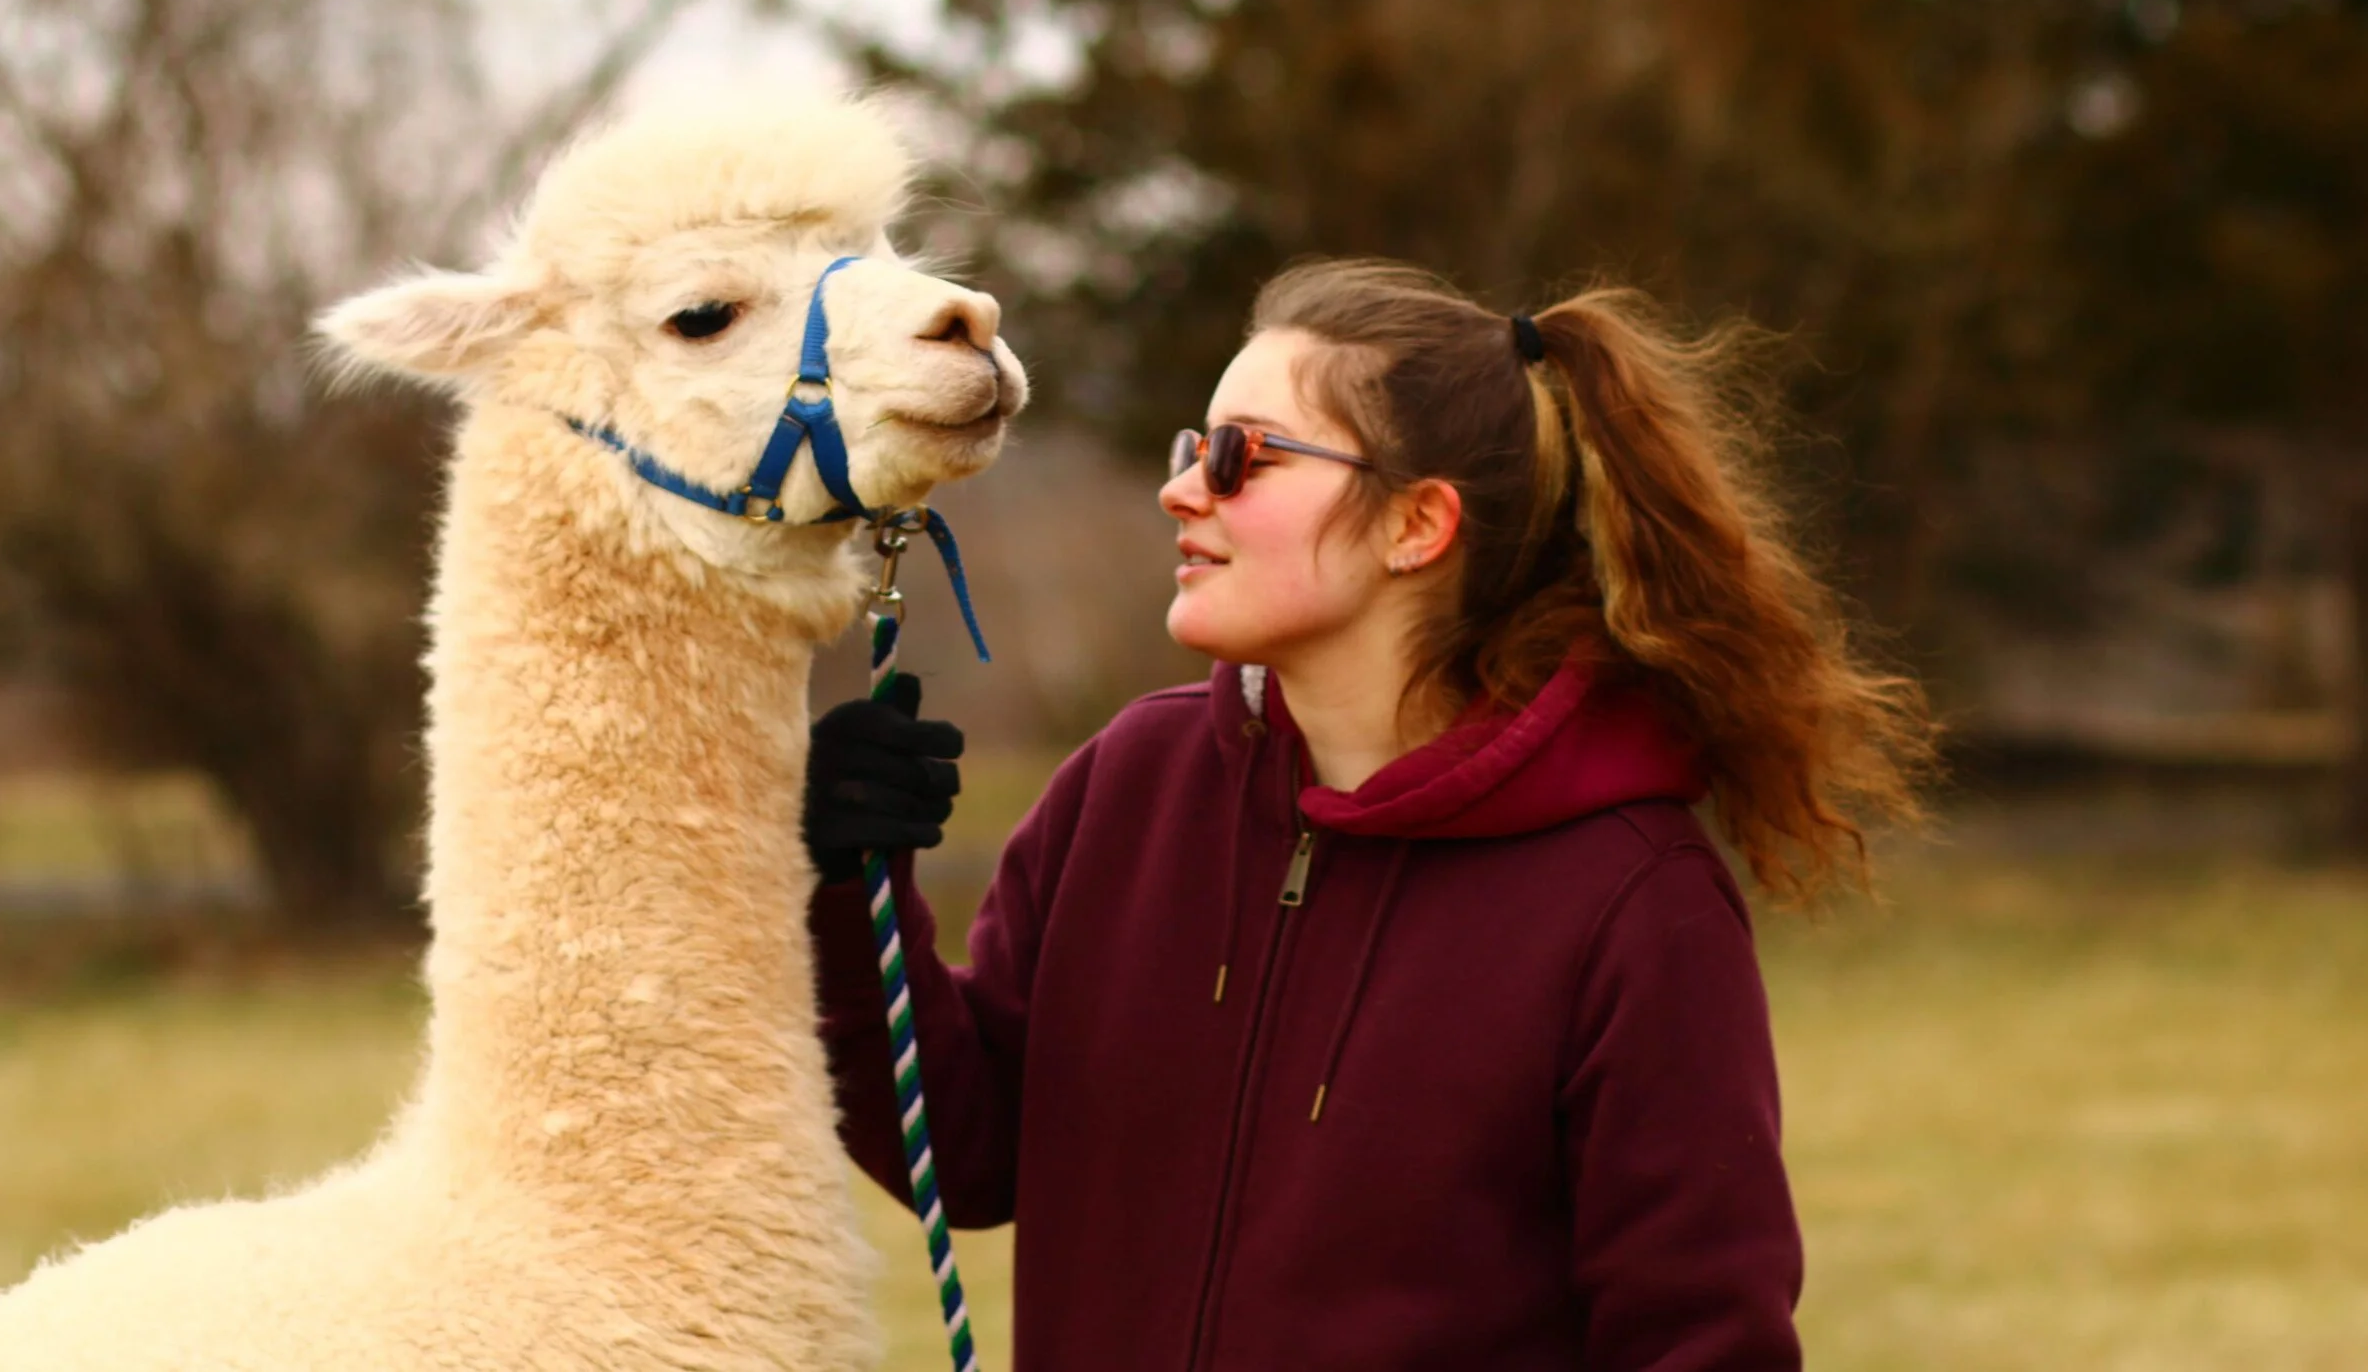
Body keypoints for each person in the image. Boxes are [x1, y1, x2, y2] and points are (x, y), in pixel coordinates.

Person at [802, 259, 1935, 1371]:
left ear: (1417, 524)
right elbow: (968, 1153)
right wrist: (843, 893)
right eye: (1195, 448)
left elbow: (1700, 1339)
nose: (1183, 490)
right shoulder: (1129, 784)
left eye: (1244, 456)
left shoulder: (1633, 895)